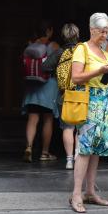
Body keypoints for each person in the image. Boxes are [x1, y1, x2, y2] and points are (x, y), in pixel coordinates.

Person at [68, 12, 108, 213]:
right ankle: (76, 194)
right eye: (101, 31)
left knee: (97, 148)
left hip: (104, 102)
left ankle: (90, 192)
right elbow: (76, 77)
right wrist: (100, 71)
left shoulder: (105, 54)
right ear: (91, 29)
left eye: (107, 32)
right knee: (85, 148)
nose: (105, 36)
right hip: (89, 102)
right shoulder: (82, 49)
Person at [21, 23, 60, 163]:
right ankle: (44, 153)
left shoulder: (30, 44)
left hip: (32, 86)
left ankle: (29, 147)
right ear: (49, 31)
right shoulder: (53, 45)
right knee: (48, 119)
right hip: (49, 85)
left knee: (33, 118)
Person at [47, 23, 81, 170]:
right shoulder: (83, 50)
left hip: (64, 94)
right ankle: (78, 157)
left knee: (67, 127)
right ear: (77, 35)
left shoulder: (59, 52)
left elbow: (45, 67)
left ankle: (68, 160)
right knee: (80, 128)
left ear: (63, 36)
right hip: (81, 93)